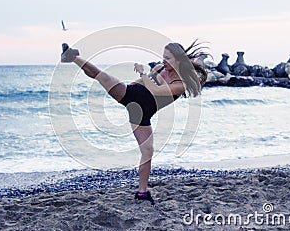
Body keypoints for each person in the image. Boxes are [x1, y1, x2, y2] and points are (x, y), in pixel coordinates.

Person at [60, 41, 208, 205]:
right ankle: (72, 56)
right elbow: (143, 83)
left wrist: (142, 73)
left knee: (147, 151)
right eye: (163, 57)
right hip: (129, 95)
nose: (163, 61)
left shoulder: (180, 84)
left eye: (168, 58)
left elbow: (157, 90)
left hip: (142, 115)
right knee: (102, 76)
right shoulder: (159, 68)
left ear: (178, 59)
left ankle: (142, 192)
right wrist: (131, 84)